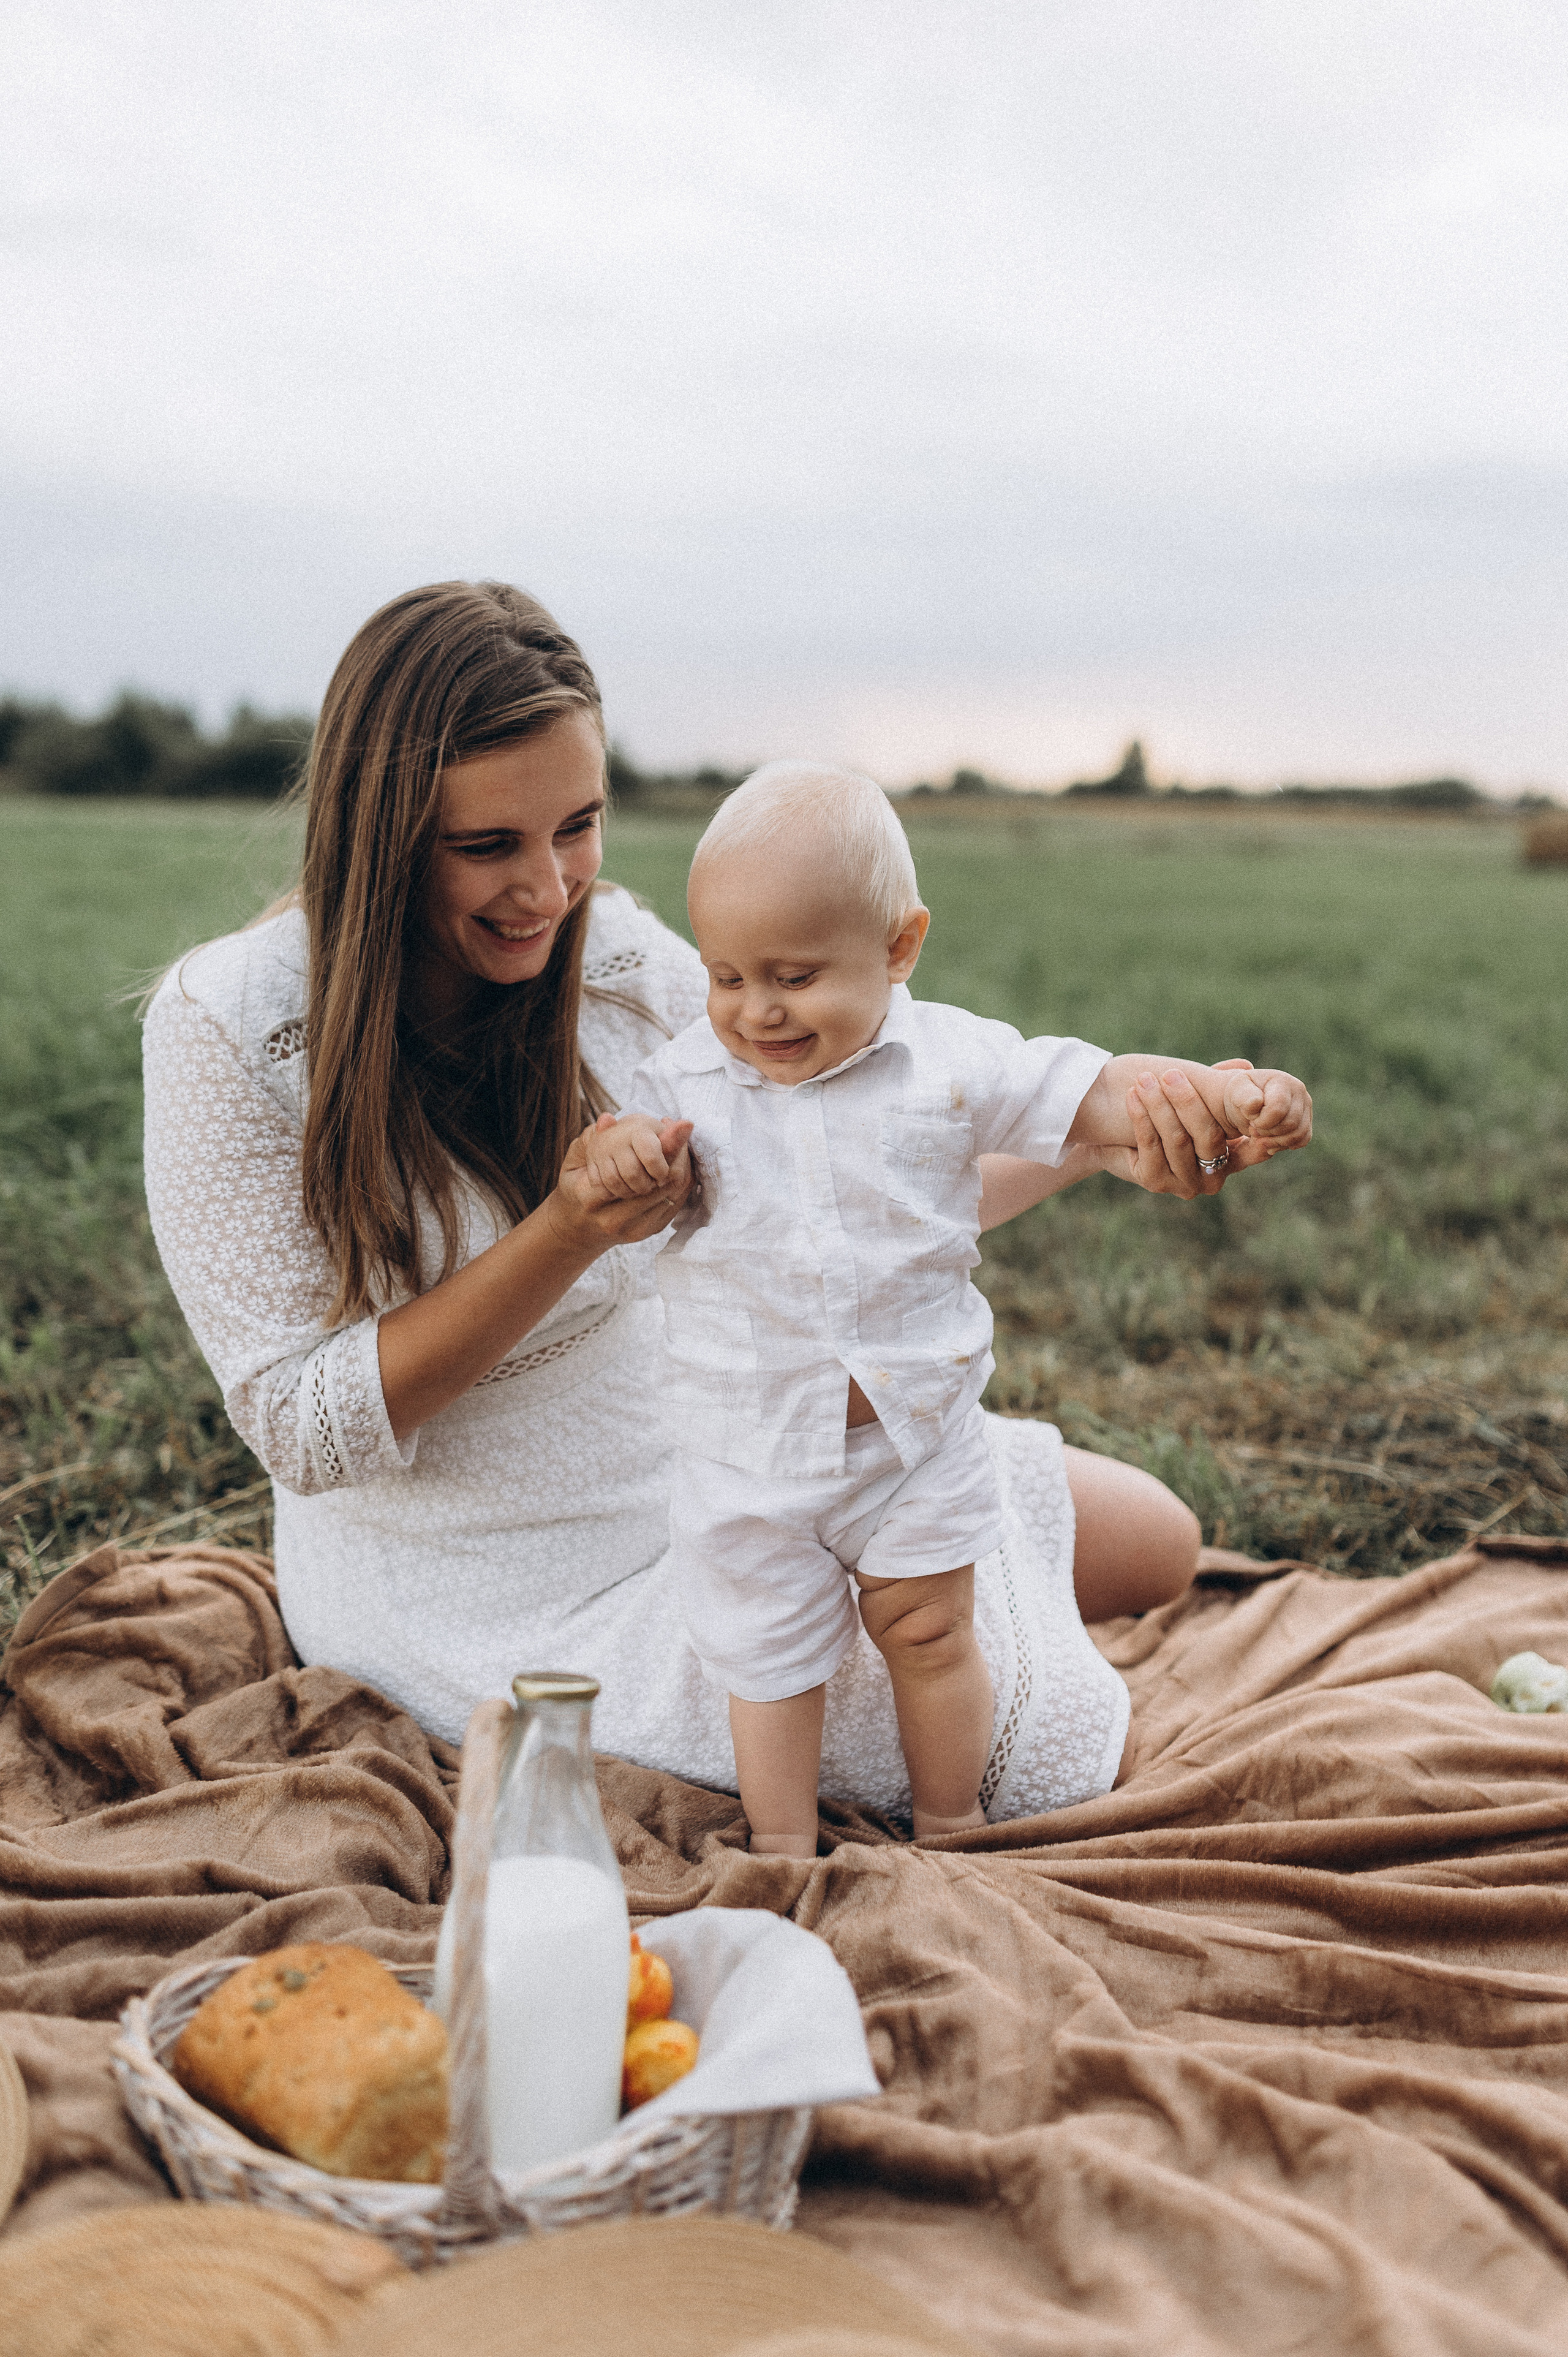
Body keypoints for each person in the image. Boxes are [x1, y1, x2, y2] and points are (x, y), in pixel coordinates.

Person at [142, 580, 1287, 1829]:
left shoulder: (622, 960)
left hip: (728, 1444)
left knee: (1157, 1544)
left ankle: (906, 1598)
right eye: (488, 847)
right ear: (380, 834)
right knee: (1005, 1727)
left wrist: (1099, 1142)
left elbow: (857, 1160)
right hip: (478, 1569)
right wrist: (565, 1231)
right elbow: (303, 1429)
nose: (547, 887)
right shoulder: (230, 1026)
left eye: (576, 826)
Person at [581, 764, 1312, 1851]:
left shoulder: (950, 1064)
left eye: (793, 974)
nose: (756, 1009)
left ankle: (951, 1818)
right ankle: (781, 1848)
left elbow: (1092, 1090)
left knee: (933, 1632)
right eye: (727, 976)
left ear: (899, 949)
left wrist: (1219, 1094)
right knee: (769, 1664)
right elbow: (617, 1188)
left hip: (913, 1442)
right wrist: (623, 1166)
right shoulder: (686, 1084)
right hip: (748, 1458)